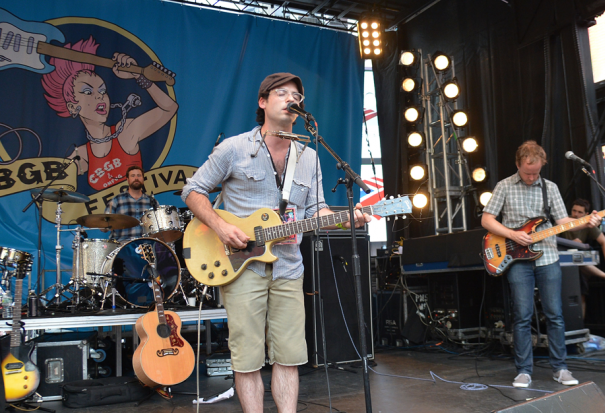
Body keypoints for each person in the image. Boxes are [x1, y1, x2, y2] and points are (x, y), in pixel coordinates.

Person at [182, 73, 371, 413]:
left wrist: (348, 217)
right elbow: (192, 190)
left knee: (290, 354)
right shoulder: (234, 148)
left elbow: (317, 212)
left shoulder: (309, 157)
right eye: (281, 93)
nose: (290, 99)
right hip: (241, 265)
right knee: (248, 356)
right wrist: (222, 227)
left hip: (288, 266)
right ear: (263, 102)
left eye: (296, 95)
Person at [481, 141, 601, 389]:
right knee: (522, 316)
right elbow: (487, 219)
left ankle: (560, 368)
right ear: (518, 164)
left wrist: (587, 222)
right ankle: (524, 371)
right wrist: (513, 235)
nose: (531, 176)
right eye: (527, 172)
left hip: (547, 256)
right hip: (516, 258)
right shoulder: (504, 186)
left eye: (536, 172)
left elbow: (563, 221)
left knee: (555, 314)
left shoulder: (550, 187)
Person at [41, 36, 178, 191]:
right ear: (73, 107)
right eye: (87, 91)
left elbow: (169, 108)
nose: (99, 96)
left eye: (102, 91)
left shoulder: (126, 132)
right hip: (104, 215)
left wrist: (139, 76)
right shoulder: (82, 154)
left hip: (134, 212)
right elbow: (56, 189)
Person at [560, 199, 605, 317]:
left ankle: (580, 326)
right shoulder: (563, 221)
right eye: (574, 211)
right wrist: (569, 243)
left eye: (580, 212)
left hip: (580, 265)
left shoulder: (589, 224)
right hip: (562, 263)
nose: (576, 214)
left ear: (586, 214)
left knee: (581, 294)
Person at [104, 165, 157, 241]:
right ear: (128, 179)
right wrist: (104, 225)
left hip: (146, 246)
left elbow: (158, 228)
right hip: (122, 247)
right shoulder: (116, 201)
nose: (136, 178)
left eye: (139, 175)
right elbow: (104, 225)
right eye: (133, 176)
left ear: (143, 179)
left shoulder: (152, 201)